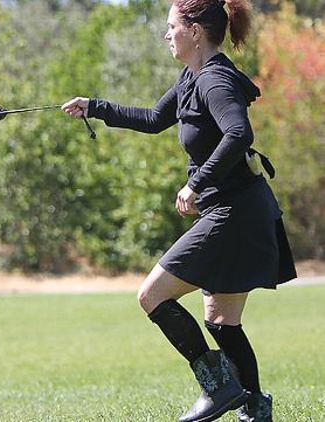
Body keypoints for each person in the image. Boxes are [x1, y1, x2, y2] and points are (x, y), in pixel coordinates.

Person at [62, 0, 297, 421]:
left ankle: (218, 385)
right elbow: (154, 118)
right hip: (236, 209)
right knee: (222, 321)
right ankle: (255, 410)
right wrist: (94, 106)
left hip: (235, 212)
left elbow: (238, 133)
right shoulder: (192, 77)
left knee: (151, 295)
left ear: (194, 31)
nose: (166, 34)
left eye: (171, 27)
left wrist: (195, 182)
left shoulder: (214, 80)